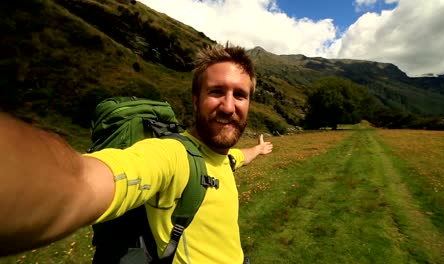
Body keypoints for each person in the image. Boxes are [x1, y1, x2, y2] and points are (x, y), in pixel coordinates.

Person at [0, 42, 273, 263]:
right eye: (216, 92)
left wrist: (258, 149)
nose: (228, 106)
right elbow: (83, 181)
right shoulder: (172, 154)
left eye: (240, 95)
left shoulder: (224, 158)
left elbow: (238, 158)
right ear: (195, 100)